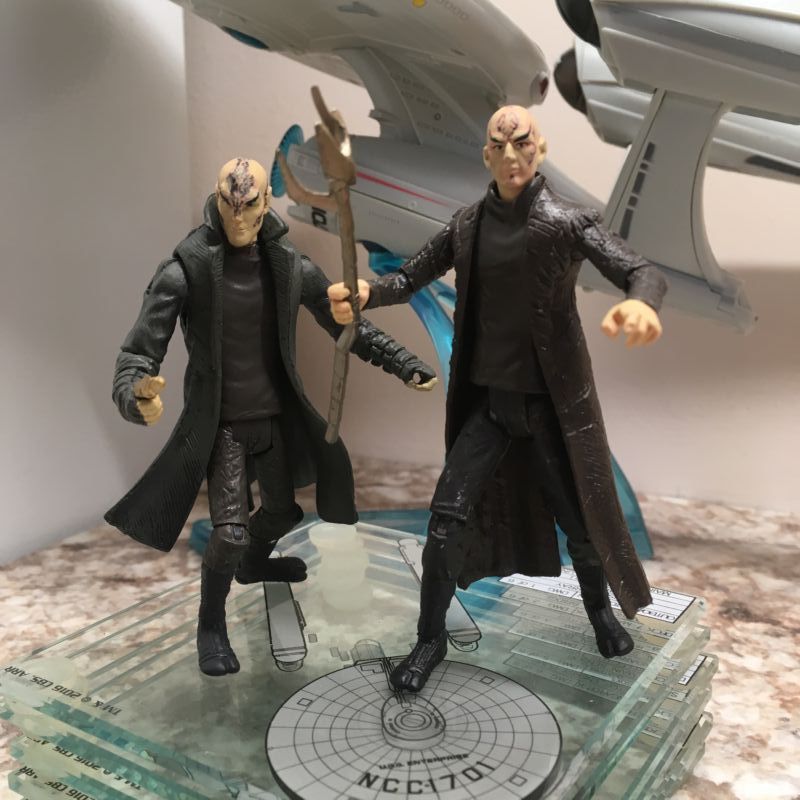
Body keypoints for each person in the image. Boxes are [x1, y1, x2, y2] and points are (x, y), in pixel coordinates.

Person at [328, 107, 667, 692]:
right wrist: (367, 294)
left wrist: (640, 303)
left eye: (522, 143)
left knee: (582, 528)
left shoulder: (567, 222)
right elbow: (408, 278)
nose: (512, 156)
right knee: (443, 524)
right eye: (500, 146)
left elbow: (641, 270)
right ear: (486, 154)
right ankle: (430, 639)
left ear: (539, 148)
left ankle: (600, 615)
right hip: (488, 408)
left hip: (548, 408)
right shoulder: (467, 225)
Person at [106, 157, 436, 677]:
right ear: (217, 201)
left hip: (275, 418)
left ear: (264, 205)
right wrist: (135, 395)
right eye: (229, 204)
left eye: (249, 205)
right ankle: (210, 625)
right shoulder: (185, 270)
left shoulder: (290, 266)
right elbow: (137, 354)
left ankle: (253, 566)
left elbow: (345, 326)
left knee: (282, 514)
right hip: (223, 426)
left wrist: (403, 362)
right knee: (228, 533)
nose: (238, 217)